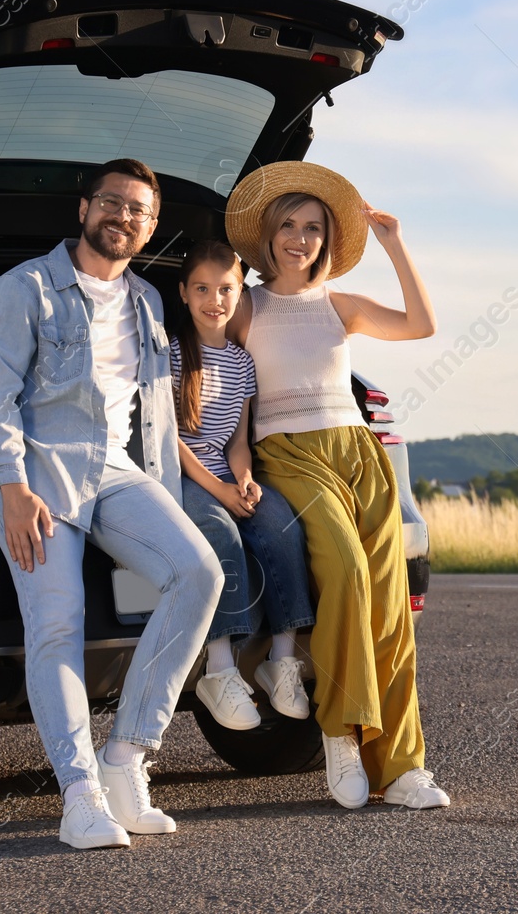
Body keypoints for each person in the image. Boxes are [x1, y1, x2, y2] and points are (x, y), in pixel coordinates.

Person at [0, 158, 222, 850]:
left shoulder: (145, 301)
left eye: (138, 210)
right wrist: (11, 489)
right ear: (84, 209)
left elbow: (156, 413)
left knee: (200, 571)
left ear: (150, 226)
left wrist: (164, 498)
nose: (123, 217)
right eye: (112, 203)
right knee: (57, 622)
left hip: (115, 472)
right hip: (40, 475)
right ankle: (78, 794)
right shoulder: (24, 289)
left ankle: (126, 757)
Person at [225, 161, 449, 811]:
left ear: (327, 240)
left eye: (314, 227)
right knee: (347, 575)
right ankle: (340, 732)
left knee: (388, 606)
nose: (301, 237)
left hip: (358, 451)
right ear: (269, 234)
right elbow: (221, 382)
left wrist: (393, 242)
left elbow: (420, 323)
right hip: (288, 455)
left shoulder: (338, 306)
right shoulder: (246, 304)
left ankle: (403, 767)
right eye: (290, 224)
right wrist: (234, 463)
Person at [171, 239, 315, 728]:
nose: (215, 300)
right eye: (203, 289)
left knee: (282, 526)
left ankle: (281, 658)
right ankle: (220, 669)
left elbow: (237, 438)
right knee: (221, 534)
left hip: (227, 473)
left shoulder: (242, 362)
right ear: (185, 295)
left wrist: (246, 481)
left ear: (240, 294)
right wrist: (221, 492)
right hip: (186, 475)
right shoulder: (170, 356)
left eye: (226, 289)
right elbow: (171, 441)